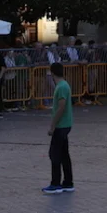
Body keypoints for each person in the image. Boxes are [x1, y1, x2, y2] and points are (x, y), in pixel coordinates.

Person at [42, 62, 74, 195]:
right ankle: (68, 182)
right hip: (66, 124)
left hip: (61, 125)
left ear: (52, 73)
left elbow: (61, 107)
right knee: (64, 154)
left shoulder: (61, 87)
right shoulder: (64, 85)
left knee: (54, 154)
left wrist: (53, 125)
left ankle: (55, 183)